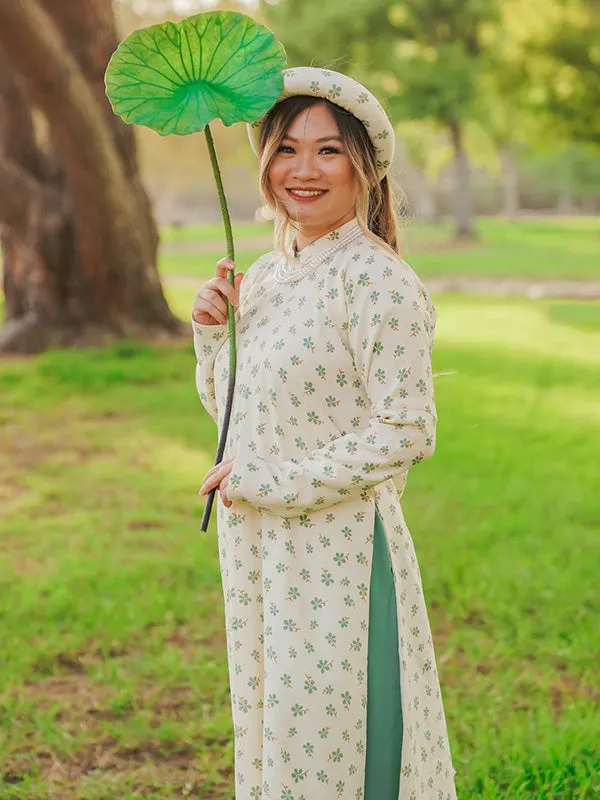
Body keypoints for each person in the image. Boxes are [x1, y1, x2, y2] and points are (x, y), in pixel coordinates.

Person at [193, 67, 457, 800]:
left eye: (329, 151)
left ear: (366, 169)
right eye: (287, 149)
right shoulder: (273, 276)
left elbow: (408, 429)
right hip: (260, 551)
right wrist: (213, 336)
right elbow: (235, 416)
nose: (302, 170)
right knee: (277, 733)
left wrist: (271, 485)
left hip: (337, 558)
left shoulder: (378, 282)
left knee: (338, 747)